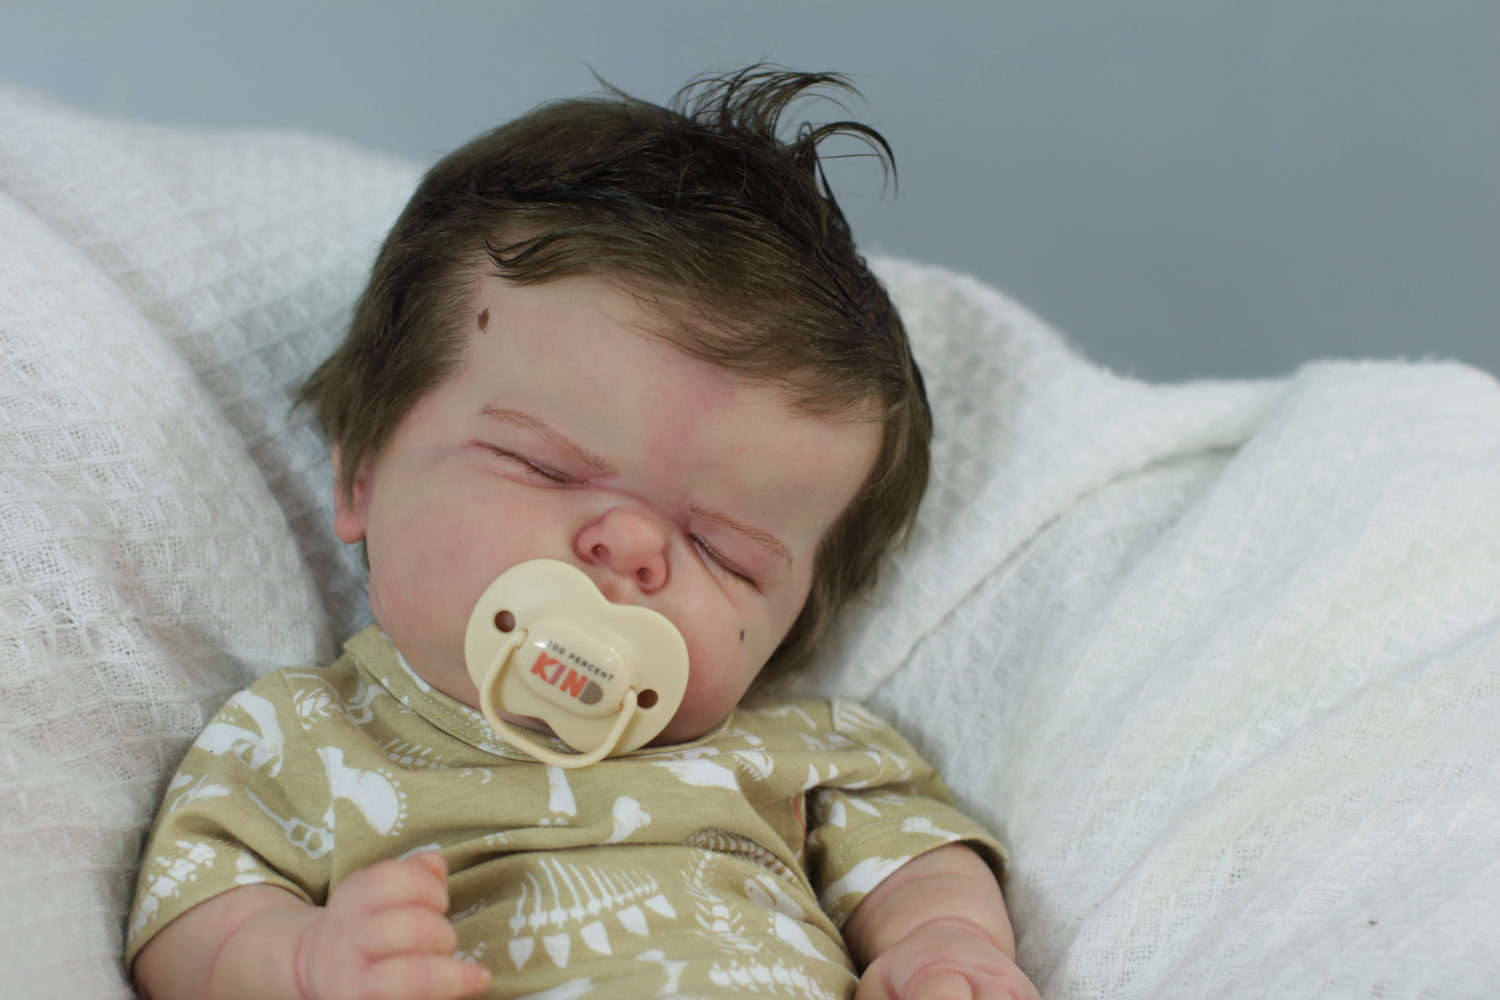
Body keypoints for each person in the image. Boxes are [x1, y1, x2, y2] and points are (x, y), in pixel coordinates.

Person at [125, 67, 1041, 1000]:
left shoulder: (801, 752)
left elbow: (918, 858)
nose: (633, 547)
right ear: (361, 470)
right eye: (547, 467)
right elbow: (188, 925)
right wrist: (302, 964)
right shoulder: (304, 734)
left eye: (725, 553)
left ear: (788, 627)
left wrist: (945, 946)